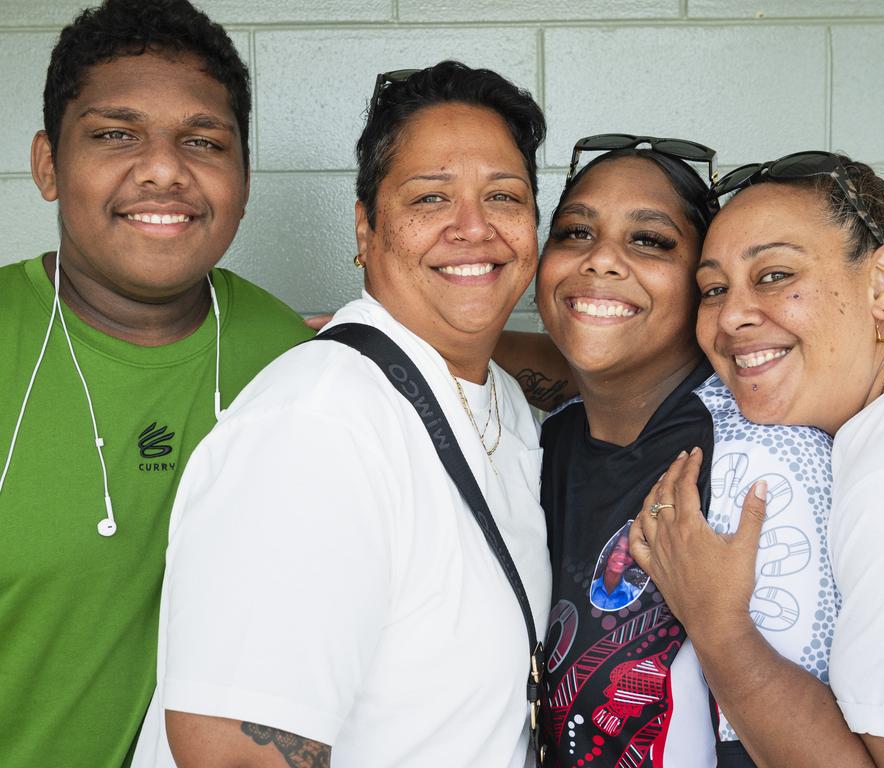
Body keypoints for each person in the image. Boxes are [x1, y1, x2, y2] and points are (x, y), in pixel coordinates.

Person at [131, 61, 551, 768]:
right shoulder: (319, 425)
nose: (473, 228)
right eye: (430, 198)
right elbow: (234, 754)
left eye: (503, 196)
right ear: (365, 228)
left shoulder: (500, 399)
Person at [633, 151, 884, 767]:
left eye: (773, 275)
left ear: (881, 284)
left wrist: (718, 626)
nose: (732, 315)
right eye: (714, 289)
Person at [0, 2, 312, 766]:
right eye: (116, 135)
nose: (165, 169)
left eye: (203, 142)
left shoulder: (300, 365)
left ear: (242, 177)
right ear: (48, 165)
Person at [530, 138, 848, 767]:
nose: (601, 261)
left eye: (649, 240)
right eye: (574, 232)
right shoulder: (546, 439)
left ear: (703, 288)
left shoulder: (759, 462)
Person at [589, 529, 645, 610]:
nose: (622, 556)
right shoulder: (590, 588)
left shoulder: (635, 595)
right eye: (617, 548)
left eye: (629, 552)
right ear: (607, 552)